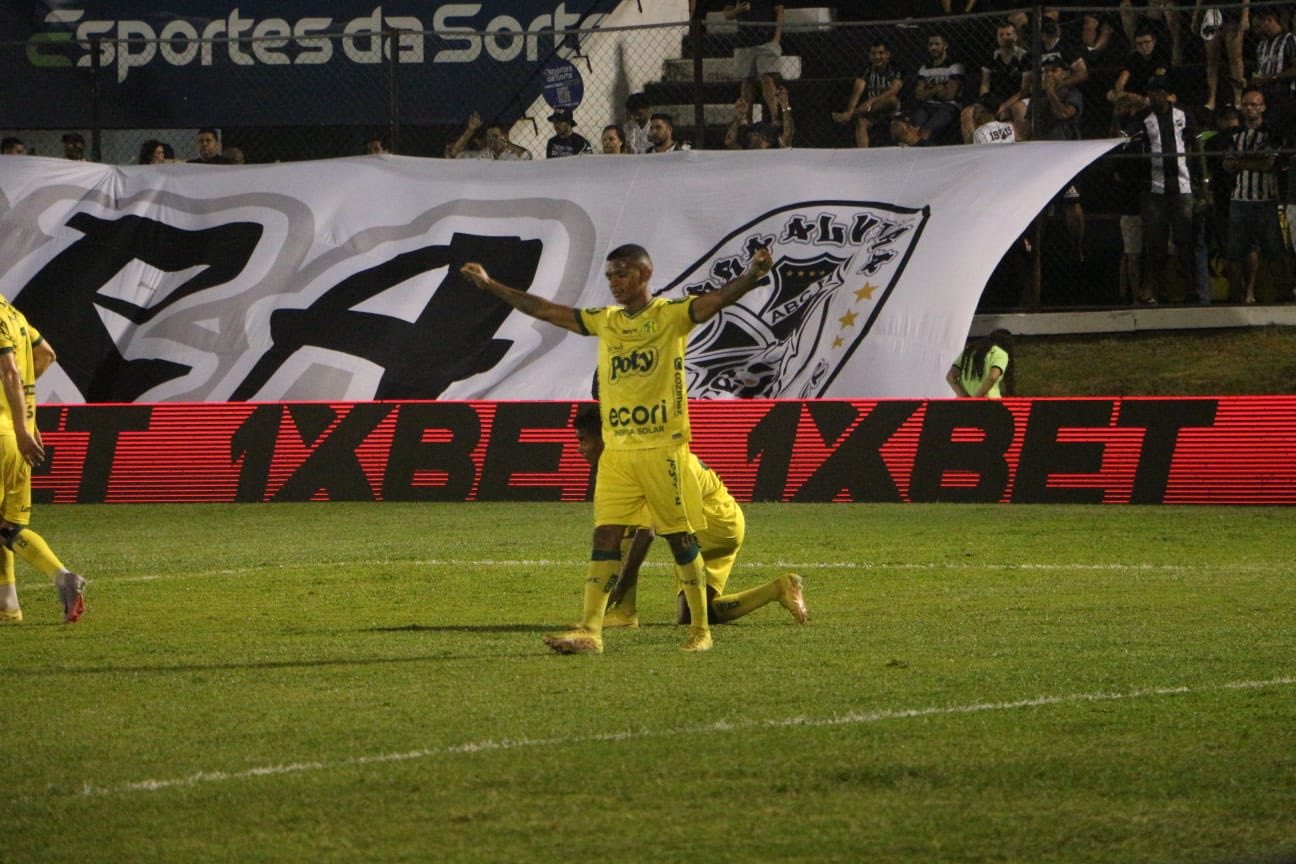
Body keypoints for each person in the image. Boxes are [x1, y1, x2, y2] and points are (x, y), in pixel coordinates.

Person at [458, 243, 775, 654]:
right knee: (606, 535)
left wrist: (752, 275)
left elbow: (715, 301)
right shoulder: (605, 321)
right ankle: (591, 630)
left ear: (645, 274)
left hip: (662, 448)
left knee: (680, 539)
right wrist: (491, 285)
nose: (614, 283)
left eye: (622, 273)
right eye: (610, 275)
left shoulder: (670, 316)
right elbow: (546, 310)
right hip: (619, 452)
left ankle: (701, 631)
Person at [570, 404, 806, 630]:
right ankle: (779, 588)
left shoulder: (641, 461)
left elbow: (647, 533)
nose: (579, 448)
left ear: (605, 438)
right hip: (727, 520)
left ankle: (624, 612)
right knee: (691, 615)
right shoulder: (634, 454)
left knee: (628, 528)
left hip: (711, 522)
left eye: (583, 441)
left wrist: (619, 588)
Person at [0, 295, 84, 624]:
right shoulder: (14, 313)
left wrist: (21, 426)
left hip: (9, 432)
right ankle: (10, 605)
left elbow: (9, 372)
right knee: (9, 527)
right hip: (19, 438)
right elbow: (45, 355)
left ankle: (58, 579)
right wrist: (26, 422)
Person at [1125, 75, 1204, 304]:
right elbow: (1125, 138)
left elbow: (1196, 145)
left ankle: (1191, 289)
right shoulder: (1143, 117)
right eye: (1151, 92)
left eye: (1160, 92)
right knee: (1155, 242)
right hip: (1154, 187)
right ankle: (1155, 290)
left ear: (1168, 94)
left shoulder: (1183, 114)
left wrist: (1204, 180)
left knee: (1184, 239)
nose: (1155, 97)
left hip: (1182, 185)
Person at [1223, 89, 1290, 304]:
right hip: (1239, 200)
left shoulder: (1271, 134)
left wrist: (1241, 163)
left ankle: (1282, 293)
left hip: (1265, 200)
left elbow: (1268, 164)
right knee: (1235, 251)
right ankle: (1237, 295)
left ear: (1263, 107)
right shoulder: (1235, 135)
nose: (1250, 108)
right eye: (1246, 104)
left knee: (1274, 250)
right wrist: (1251, 163)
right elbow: (1226, 164)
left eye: (1255, 104)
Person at [960, 19, 1027, 144]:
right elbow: (985, 84)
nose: (1004, 38)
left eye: (1008, 34)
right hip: (995, 98)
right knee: (967, 113)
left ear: (1016, 36)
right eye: (1001, 35)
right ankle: (972, 150)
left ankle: (1022, 144)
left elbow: (1024, 90)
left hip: (1015, 98)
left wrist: (1003, 106)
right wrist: (984, 103)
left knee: (1016, 110)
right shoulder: (992, 56)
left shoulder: (1024, 56)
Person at [831, 39, 904, 148]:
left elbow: (894, 90)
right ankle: (863, 154)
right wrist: (850, 108)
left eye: (881, 53)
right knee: (860, 122)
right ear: (869, 55)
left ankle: (850, 115)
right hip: (872, 111)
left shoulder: (895, 68)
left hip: (891, 109)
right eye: (873, 54)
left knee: (891, 99)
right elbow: (857, 90)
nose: (877, 57)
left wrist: (871, 100)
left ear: (888, 54)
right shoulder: (867, 69)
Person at [723, 0, 785, 125]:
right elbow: (727, 14)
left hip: (766, 39)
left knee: (767, 78)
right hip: (744, 42)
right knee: (747, 81)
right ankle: (747, 120)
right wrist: (738, 11)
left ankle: (775, 118)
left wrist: (776, 38)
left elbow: (780, 11)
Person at [908, 31, 965, 144]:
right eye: (930, 44)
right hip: (927, 105)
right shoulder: (924, 68)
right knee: (913, 129)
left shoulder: (954, 66)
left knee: (926, 130)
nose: (933, 47)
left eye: (937, 44)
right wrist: (938, 88)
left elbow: (949, 95)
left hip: (948, 107)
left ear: (945, 45)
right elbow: (919, 95)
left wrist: (929, 89)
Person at [946, 329, 1013, 398]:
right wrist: (976, 399)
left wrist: (966, 398)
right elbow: (992, 377)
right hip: (989, 403)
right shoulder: (1000, 353)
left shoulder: (969, 350)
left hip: (964, 405)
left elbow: (951, 376)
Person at [446, 113, 533, 161]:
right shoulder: (483, 156)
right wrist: (470, 131)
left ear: (505, 136)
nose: (491, 140)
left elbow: (527, 156)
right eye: (489, 136)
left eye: (495, 136)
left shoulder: (511, 157)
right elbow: (454, 155)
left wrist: (506, 143)